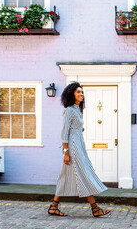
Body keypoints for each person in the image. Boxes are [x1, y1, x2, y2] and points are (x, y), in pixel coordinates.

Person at [47, 82, 111, 217]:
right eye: (78, 92)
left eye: (82, 92)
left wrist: (79, 128)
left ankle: (54, 206)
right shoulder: (69, 110)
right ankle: (95, 208)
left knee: (65, 177)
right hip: (73, 148)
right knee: (84, 175)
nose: (81, 94)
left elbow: (73, 128)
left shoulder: (77, 110)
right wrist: (66, 152)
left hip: (79, 145)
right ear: (72, 94)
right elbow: (64, 133)